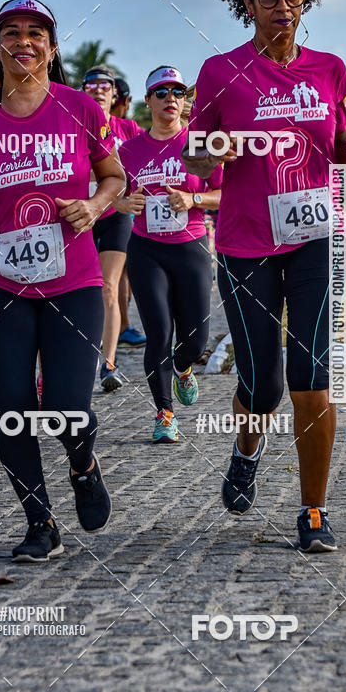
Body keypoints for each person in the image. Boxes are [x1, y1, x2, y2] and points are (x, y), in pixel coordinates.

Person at [184, 0, 346, 552]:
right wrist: (217, 150)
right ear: (247, 5)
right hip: (246, 244)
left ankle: (313, 510)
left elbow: (341, 150)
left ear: (305, 2)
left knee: (311, 373)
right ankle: (247, 448)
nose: (281, 6)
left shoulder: (330, 69)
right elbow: (193, 156)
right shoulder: (220, 71)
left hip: (317, 236)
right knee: (263, 385)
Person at [0, 0, 125, 561]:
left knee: (69, 405)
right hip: (1, 284)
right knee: (13, 410)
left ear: (51, 46)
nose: (24, 41)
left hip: (74, 280)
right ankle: (40, 522)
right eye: (12, 32)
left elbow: (114, 176)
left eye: (35, 33)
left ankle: (83, 464)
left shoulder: (79, 108)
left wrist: (94, 205)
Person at [117, 66, 222, 442]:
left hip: (190, 247)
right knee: (159, 333)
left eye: (177, 92)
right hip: (147, 250)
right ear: (148, 101)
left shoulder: (199, 144)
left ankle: (182, 367)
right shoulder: (129, 150)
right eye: (161, 92)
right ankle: (164, 414)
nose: (170, 99)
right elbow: (113, 194)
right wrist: (124, 203)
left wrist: (193, 199)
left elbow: (225, 193)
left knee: (195, 341)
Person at [82, 65, 141, 390]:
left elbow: (146, 161)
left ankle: (108, 364)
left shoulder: (127, 128)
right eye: (91, 84)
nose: (98, 90)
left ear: (114, 93)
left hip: (116, 217)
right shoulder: (74, 124)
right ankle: (79, 357)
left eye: (105, 85)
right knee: (78, 291)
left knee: (108, 288)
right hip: (81, 215)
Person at [111, 75, 147, 348]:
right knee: (116, 275)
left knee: (124, 273)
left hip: (126, 209)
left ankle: (121, 324)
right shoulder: (86, 124)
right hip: (100, 208)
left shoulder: (129, 127)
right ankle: (120, 325)